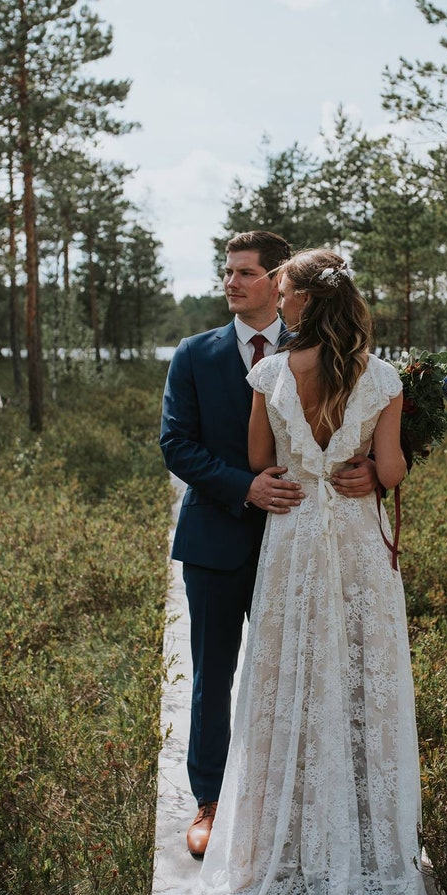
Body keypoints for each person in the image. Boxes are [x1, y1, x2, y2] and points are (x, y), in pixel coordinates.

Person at [200, 248, 445, 895]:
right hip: (358, 542)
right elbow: (392, 467)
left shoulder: (272, 372)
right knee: (363, 673)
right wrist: (368, 464)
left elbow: (257, 461)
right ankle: (366, 834)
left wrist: (299, 464)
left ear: (301, 303)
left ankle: (291, 836)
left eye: (281, 287)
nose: (276, 295)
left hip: (295, 533)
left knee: (287, 674)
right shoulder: (384, 376)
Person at [160, 231, 378, 857]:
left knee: (310, 671)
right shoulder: (194, 355)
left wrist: (378, 476)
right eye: (226, 271)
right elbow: (177, 446)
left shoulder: (331, 350)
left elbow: (380, 427)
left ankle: (303, 803)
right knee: (214, 673)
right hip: (219, 538)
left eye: (246, 273)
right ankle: (211, 800)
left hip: (310, 542)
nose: (230, 282)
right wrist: (245, 488)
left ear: (280, 280)